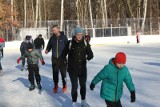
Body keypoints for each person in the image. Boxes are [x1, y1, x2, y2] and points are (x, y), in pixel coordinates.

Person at [60, 26, 94, 107]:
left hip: (82, 70)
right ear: (74, 34)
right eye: (78, 34)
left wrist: (88, 57)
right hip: (72, 70)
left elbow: (91, 54)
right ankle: (74, 102)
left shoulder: (85, 43)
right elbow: (63, 55)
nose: (79, 36)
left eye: (81, 34)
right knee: (74, 86)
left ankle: (83, 101)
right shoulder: (70, 43)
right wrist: (64, 62)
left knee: (83, 86)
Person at [45, 25, 68, 93]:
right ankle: (56, 85)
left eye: (54, 30)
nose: (53, 31)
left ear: (58, 29)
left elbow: (67, 46)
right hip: (54, 58)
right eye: (53, 30)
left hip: (62, 58)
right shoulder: (52, 38)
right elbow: (49, 45)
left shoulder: (64, 37)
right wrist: (47, 50)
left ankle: (64, 85)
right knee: (55, 73)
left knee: (63, 73)